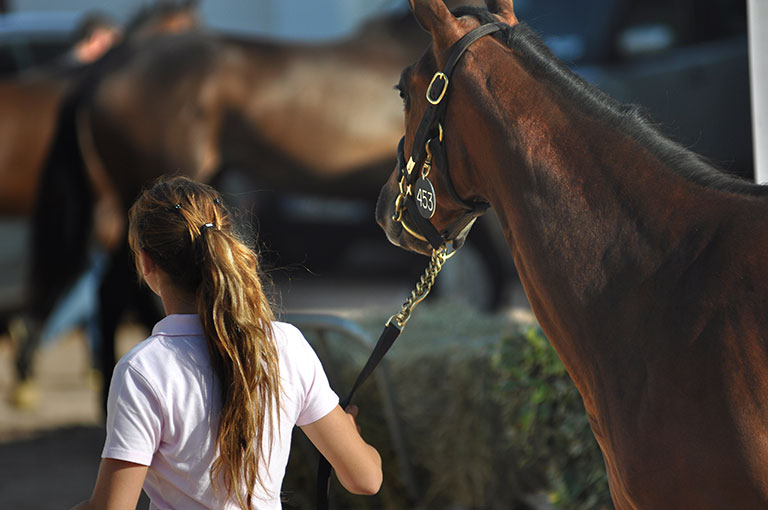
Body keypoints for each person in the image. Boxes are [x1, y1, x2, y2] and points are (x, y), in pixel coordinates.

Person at [70, 176, 382, 509]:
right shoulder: (286, 346)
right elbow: (366, 478)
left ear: (146, 263)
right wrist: (351, 434)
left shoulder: (142, 371)